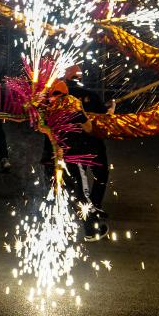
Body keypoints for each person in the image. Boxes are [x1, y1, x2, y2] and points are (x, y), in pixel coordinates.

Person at [41, 79, 108, 241]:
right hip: (73, 158)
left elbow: (43, 128)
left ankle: (55, 229)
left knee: (62, 193)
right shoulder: (74, 109)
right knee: (81, 194)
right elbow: (89, 128)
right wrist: (83, 112)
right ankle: (92, 230)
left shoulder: (47, 110)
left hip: (54, 158)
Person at [63, 64, 112, 217]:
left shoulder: (61, 96)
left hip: (71, 144)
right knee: (101, 175)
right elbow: (104, 117)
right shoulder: (91, 95)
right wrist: (111, 109)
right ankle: (94, 206)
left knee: (78, 178)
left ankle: (80, 207)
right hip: (92, 143)